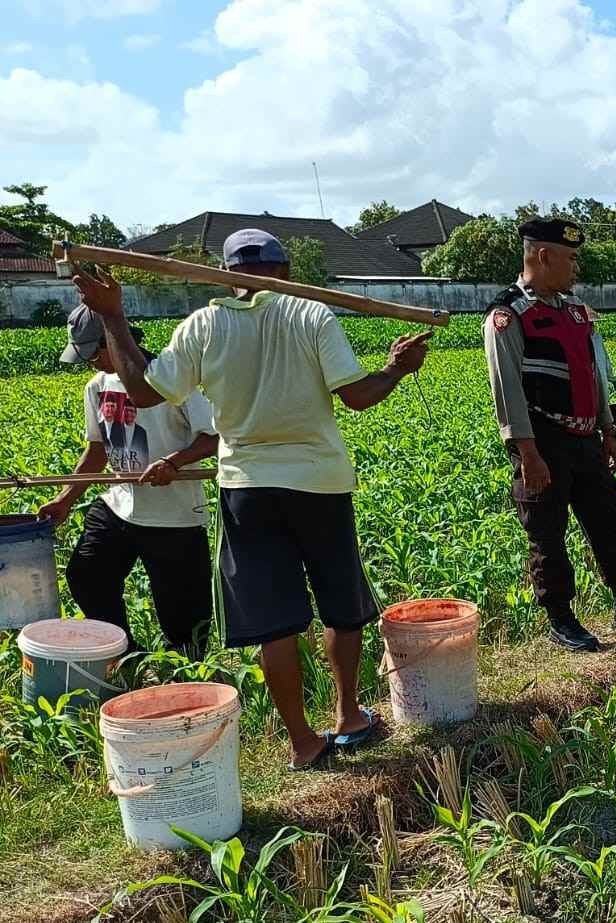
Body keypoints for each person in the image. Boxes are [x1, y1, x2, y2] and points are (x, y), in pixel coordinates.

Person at [72, 228, 431, 771]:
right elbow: (357, 397)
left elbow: (143, 391)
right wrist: (396, 369)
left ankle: (303, 742)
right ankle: (349, 717)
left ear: (228, 273)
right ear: (284, 271)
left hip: (246, 487)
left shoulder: (202, 325)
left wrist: (114, 316)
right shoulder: (311, 314)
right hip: (318, 482)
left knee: (274, 617)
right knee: (340, 603)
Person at [483, 218, 616, 655]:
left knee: (608, 523)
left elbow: (594, 376)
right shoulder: (508, 316)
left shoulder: (575, 312)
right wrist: (527, 453)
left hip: (585, 440)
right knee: (547, 534)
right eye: (570, 258)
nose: (575, 267)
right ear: (543, 256)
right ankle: (561, 620)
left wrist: (607, 430)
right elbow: (506, 392)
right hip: (543, 442)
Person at [38, 304, 218, 658]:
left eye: (93, 355)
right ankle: (125, 655)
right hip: (118, 505)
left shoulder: (171, 380)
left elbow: (213, 436)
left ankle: (185, 680)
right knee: (86, 577)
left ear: (111, 341)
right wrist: (64, 500)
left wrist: (174, 462)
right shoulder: (97, 386)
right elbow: (97, 451)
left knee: (184, 617)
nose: (92, 364)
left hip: (173, 515)